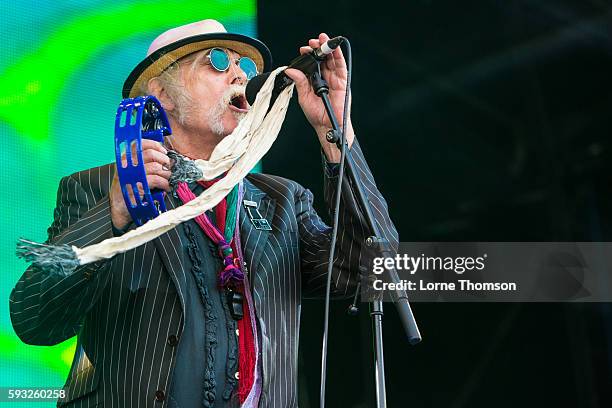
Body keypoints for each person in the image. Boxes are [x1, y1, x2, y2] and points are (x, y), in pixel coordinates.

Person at [9, 19, 398, 407]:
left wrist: (336, 130)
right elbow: (35, 319)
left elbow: (374, 269)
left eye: (244, 67)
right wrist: (113, 214)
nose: (239, 75)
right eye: (217, 61)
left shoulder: (281, 199)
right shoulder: (95, 188)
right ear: (162, 95)